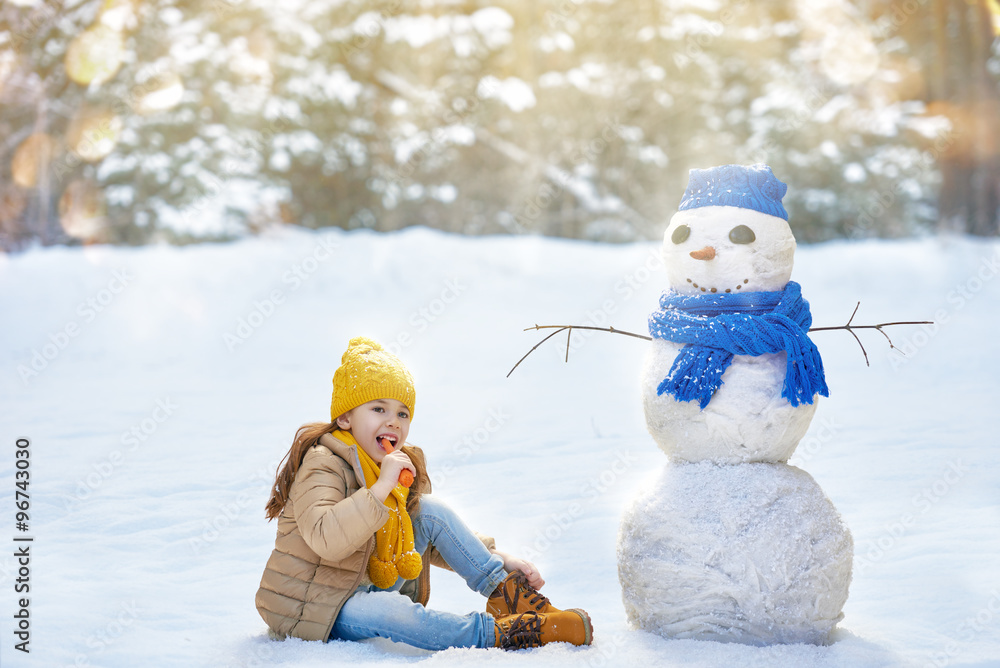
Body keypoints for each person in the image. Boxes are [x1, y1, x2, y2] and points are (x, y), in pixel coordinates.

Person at [256, 337, 593, 651]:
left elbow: (431, 536)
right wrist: (381, 488)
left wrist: (501, 558)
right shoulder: (322, 464)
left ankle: (505, 593)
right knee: (394, 613)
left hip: (365, 582)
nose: (393, 422)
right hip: (316, 606)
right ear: (345, 417)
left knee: (427, 511)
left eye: (402, 413)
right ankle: (505, 633)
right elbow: (325, 538)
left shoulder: (394, 464)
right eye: (379, 409)